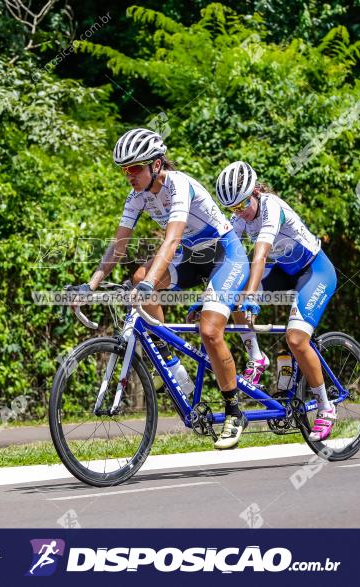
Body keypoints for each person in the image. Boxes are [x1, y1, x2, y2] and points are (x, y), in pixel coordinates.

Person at [69, 128, 251, 449]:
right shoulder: (136, 197)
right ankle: (171, 363)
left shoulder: (178, 184)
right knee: (140, 279)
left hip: (224, 254)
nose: (129, 176)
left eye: (135, 168)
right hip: (191, 259)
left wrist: (153, 280)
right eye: (125, 170)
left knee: (208, 331)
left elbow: (172, 239)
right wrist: (90, 284)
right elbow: (118, 246)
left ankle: (234, 410)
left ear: (156, 164)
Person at [215, 160, 338, 441]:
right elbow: (227, 258)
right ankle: (256, 359)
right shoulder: (241, 216)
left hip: (315, 271)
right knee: (231, 297)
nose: (241, 212)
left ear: (255, 191)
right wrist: (213, 296)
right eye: (233, 209)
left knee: (296, 339)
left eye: (244, 204)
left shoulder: (272, 206)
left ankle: (325, 406)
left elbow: (260, 254)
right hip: (284, 271)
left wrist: (252, 295)